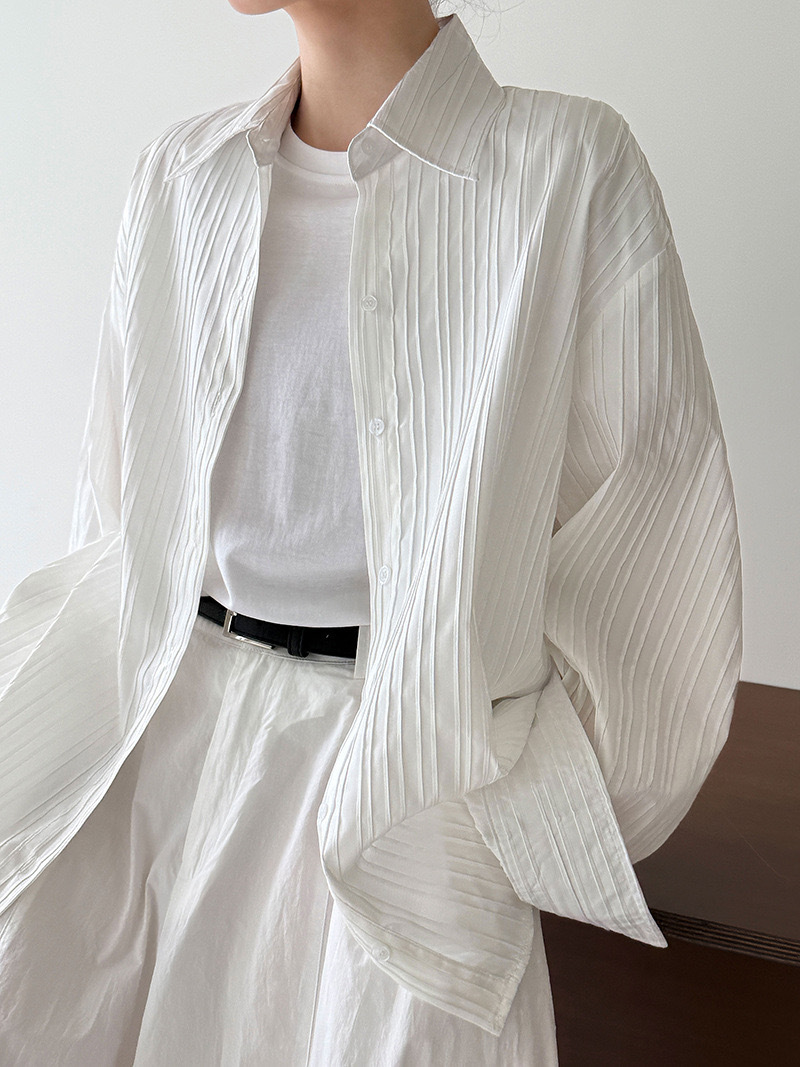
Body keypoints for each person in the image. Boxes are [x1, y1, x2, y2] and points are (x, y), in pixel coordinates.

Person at [0, 1, 743, 1064]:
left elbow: (656, 564)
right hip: (153, 768)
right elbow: (120, 516)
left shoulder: (563, 169)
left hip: (404, 801)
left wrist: (510, 816)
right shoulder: (182, 173)